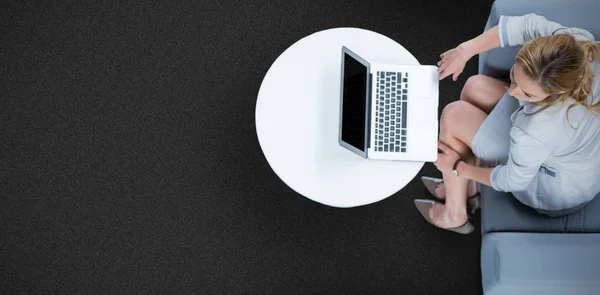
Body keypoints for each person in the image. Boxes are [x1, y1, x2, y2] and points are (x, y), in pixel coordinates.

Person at [414, 13, 600, 234]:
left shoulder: (534, 131)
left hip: (554, 185)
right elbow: (521, 26)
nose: (512, 92)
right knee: (474, 86)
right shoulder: (576, 47)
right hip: (573, 150)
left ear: (555, 92)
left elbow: (513, 181)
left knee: (453, 116)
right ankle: (469, 190)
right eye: (514, 77)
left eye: (527, 93)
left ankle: (455, 214)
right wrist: (464, 51)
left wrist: (458, 168)